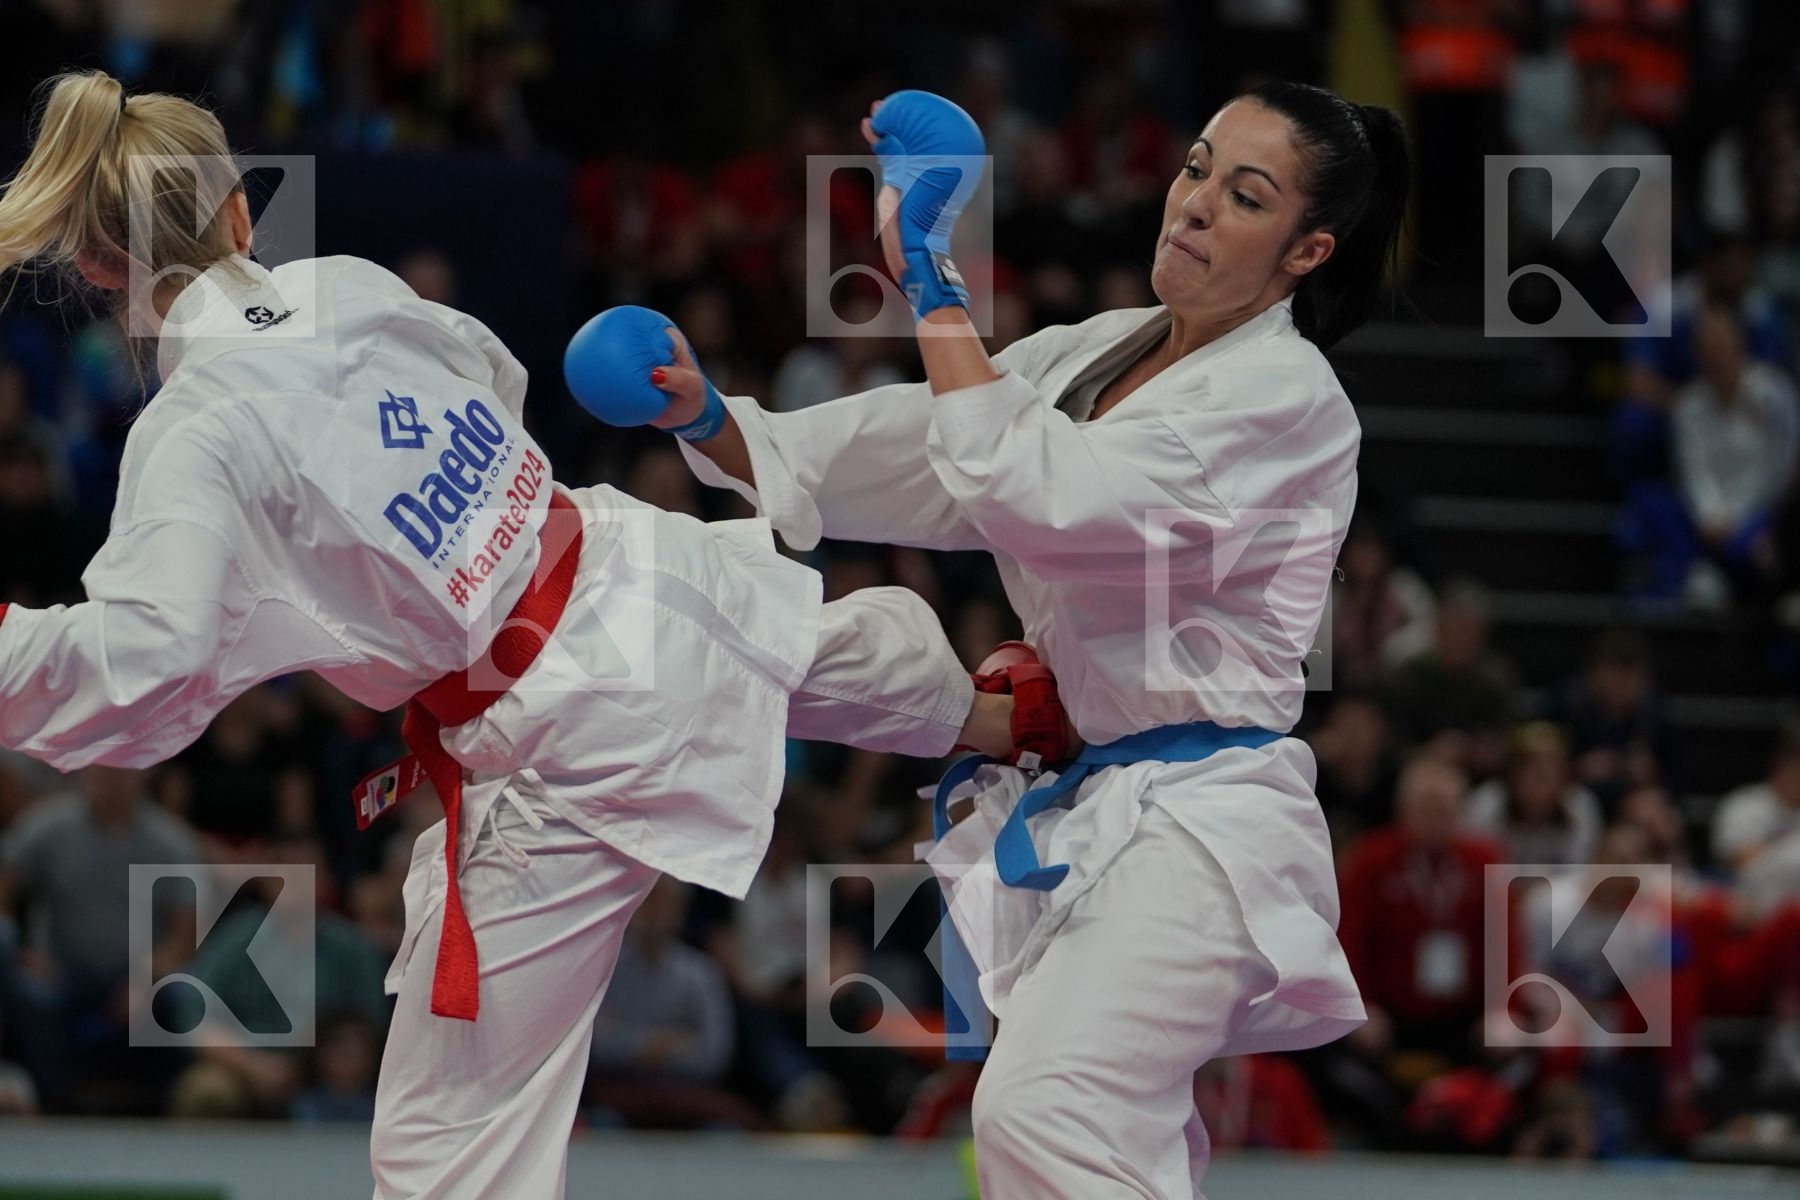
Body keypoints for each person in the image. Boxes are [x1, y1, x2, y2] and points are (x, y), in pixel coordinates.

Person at [0, 71, 1038, 1199]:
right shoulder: (344, 284)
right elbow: (489, 376)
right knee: (801, 647)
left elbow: (140, 662)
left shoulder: (192, 434)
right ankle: (1010, 716)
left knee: (446, 1156)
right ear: (240, 213)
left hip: (559, 738)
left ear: (102, 269)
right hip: (633, 566)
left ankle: (992, 715)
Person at [628, 82, 1409, 1199]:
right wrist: (725, 426)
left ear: (1306, 250)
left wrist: (934, 284)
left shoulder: (1290, 401)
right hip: (1094, 809)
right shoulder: (1103, 348)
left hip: (1207, 826)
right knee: (1097, 1138)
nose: (1192, 205)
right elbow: (939, 446)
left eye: (1245, 197)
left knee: (1049, 1107)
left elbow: (1040, 492)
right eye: (1194, 169)